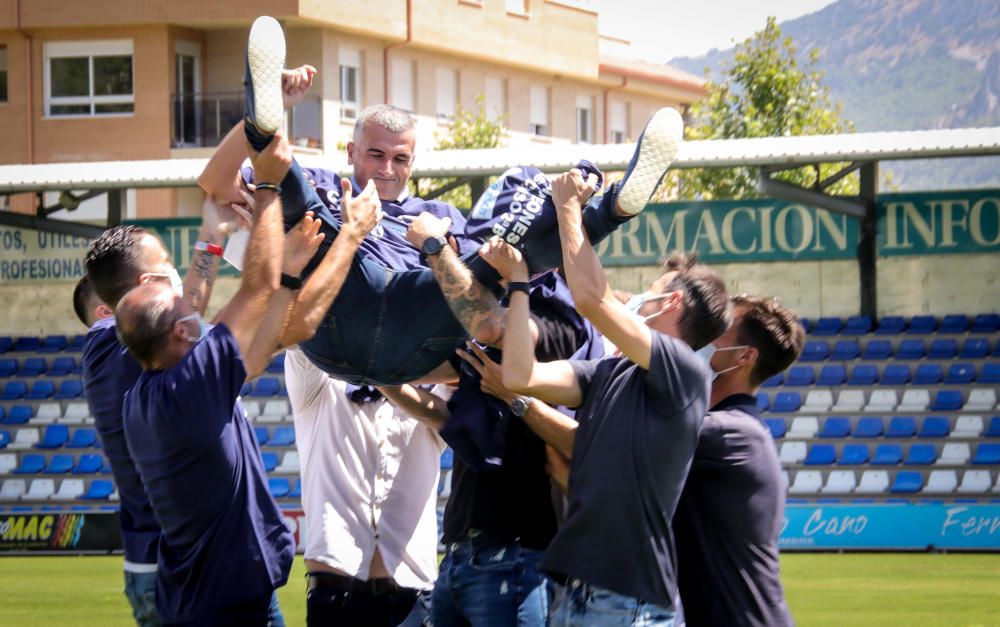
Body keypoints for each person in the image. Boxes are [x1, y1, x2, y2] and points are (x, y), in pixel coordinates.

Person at [199, 15, 684, 386]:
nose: (387, 170)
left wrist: (440, 249)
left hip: (417, 334)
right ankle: (263, 122)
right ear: (351, 152)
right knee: (298, 195)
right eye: (375, 155)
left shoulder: (440, 217)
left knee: (496, 258)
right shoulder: (331, 182)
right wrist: (263, 120)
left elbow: (479, 304)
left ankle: (615, 207)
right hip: (334, 315)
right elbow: (215, 184)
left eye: (400, 159)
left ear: (414, 162)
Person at [115, 129, 378, 625]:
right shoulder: (192, 384)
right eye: (185, 311)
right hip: (225, 608)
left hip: (216, 596)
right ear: (177, 335)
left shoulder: (152, 386)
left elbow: (277, 322)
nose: (198, 307)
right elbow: (257, 287)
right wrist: (269, 188)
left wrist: (218, 242)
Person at [499, 167, 732, 626]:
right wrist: (519, 286)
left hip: (628, 604)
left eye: (654, 289)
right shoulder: (613, 371)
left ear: (672, 305)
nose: (642, 296)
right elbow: (519, 374)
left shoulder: (686, 370)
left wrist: (568, 206)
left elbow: (592, 299)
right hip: (582, 594)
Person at [82, 195, 245, 626]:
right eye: (167, 262)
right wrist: (212, 237)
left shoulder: (144, 346)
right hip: (174, 568)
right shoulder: (106, 341)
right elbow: (190, 317)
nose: (174, 273)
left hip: (188, 562)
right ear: (146, 281)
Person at [285, 349, 443, 627]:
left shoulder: (430, 395)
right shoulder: (319, 384)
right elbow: (301, 333)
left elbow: (456, 419)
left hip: (412, 596)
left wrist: (389, 380)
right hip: (335, 591)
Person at [672, 294, 803, 627]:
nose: (702, 339)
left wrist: (524, 398)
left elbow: (604, 445)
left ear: (744, 356)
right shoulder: (723, 426)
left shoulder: (731, 433)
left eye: (718, 331)